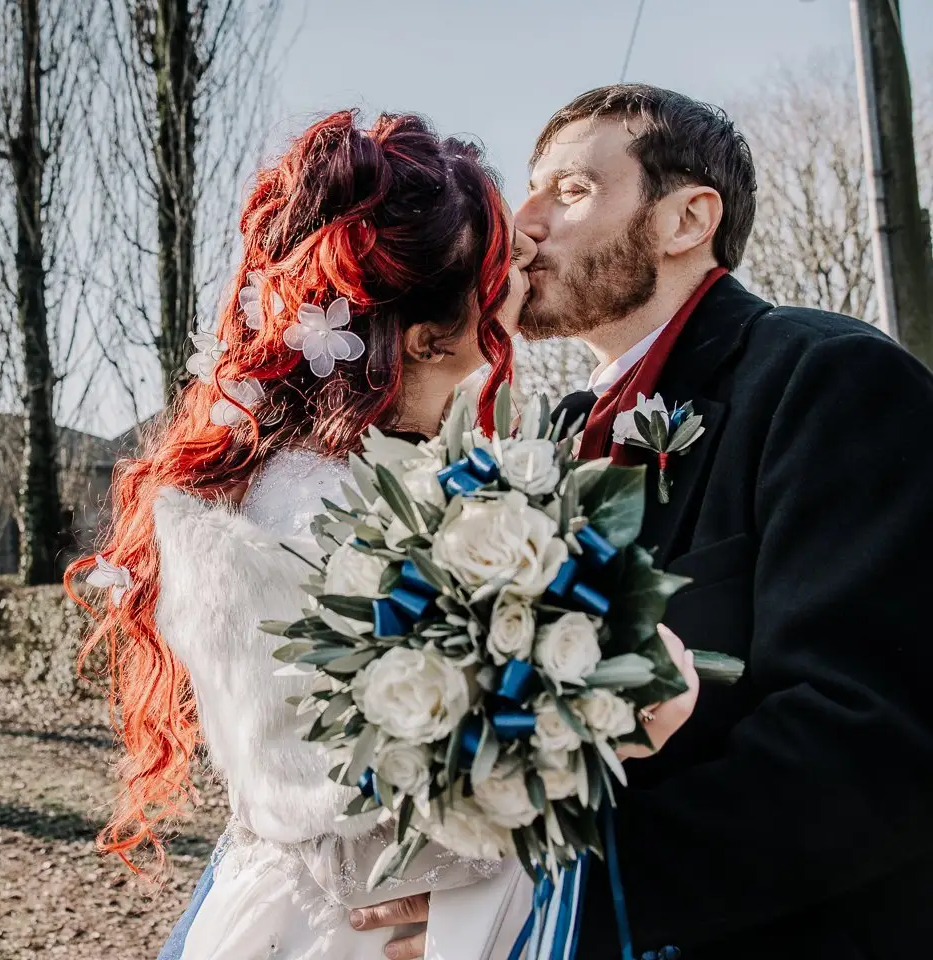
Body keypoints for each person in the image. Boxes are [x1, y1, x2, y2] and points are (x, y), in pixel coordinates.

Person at [70, 110, 698, 960]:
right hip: (386, 931)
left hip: (281, 911)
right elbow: (435, 782)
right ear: (429, 337)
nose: (526, 268)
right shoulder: (359, 522)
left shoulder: (269, 485)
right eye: (500, 262)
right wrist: (637, 700)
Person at [365, 84, 933, 959]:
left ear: (685, 220)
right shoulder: (540, 442)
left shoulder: (833, 382)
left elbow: (875, 743)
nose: (523, 222)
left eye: (574, 190)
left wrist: (555, 910)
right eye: (531, 187)